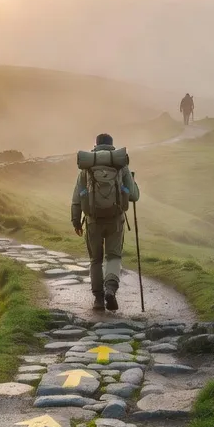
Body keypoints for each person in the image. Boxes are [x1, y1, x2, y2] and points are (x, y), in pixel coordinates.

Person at [72, 133, 140, 311]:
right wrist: (132, 181)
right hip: (115, 220)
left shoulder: (87, 166)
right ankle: (110, 288)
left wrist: (76, 220)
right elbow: (133, 196)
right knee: (113, 256)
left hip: (93, 220)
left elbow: (77, 197)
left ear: (96, 146)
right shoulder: (120, 165)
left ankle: (98, 299)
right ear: (111, 146)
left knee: (95, 259)